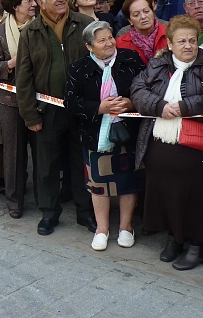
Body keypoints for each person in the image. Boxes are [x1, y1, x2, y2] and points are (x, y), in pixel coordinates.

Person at [131, 15, 203, 270]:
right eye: (181, 41)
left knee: (196, 194)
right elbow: (137, 89)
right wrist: (158, 105)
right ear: (170, 43)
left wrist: (184, 106)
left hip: (195, 146)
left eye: (192, 40)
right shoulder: (158, 63)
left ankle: (196, 245)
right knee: (165, 190)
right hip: (158, 140)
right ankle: (175, 237)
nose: (188, 46)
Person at [16, 0, 96, 236]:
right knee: (47, 165)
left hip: (81, 108)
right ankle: (49, 213)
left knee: (80, 162)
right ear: (41, 3)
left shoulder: (84, 25)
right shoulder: (30, 32)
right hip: (47, 111)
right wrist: (29, 114)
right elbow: (23, 76)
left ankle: (86, 213)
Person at [65, 22, 145, 251]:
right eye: (102, 40)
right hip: (95, 134)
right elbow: (70, 102)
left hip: (129, 131)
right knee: (99, 183)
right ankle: (102, 229)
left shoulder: (130, 59)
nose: (109, 43)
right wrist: (99, 108)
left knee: (128, 182)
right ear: (89, 46)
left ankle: (126, 227)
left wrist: (130, 102)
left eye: (110, 37)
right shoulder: (78, 68)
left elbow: (145, 88)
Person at [0, 0, 37, 219]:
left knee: (41, 151)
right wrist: (10, 64)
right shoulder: (0, 32)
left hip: (40, 98)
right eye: (28, 1)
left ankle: (44, 197)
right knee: (13, 152)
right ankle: (14, 200)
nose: (34, 4)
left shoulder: (41, 28)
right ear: (16, 6)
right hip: (9, 99)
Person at [116, 0, 167, 65]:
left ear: (153, 12)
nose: (143, 17)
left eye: (146, 11)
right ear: (130, 20)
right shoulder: (121, 42)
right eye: (136, 15)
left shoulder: (170, 33)